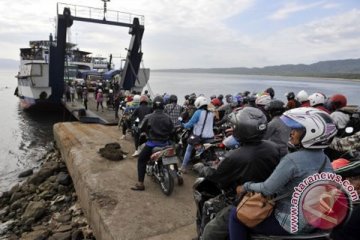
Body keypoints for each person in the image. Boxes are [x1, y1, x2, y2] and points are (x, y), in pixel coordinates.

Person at [228, 107, 338, 240]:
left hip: (290, 223)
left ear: (311, 133)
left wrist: (245, 186)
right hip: (314, 220)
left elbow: (267, 189)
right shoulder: (325, 158)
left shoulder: (292, 160)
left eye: (296, 130)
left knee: (235, 214)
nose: (291, 133)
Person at [196, 107, 282, 240]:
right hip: (270, 197)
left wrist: (201, 167)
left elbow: (215, 175)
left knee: (209, 232)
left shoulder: (235, 156)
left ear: (241, 129)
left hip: (245, 201)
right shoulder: (273, 146)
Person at [130, 96, 174, 191]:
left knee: (141, 160)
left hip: (152, 144)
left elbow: (140, 128)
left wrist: (138, 129)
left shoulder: (149, 117)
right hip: (165, 143)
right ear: (163, 106)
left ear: (153, 105)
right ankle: (178, 175)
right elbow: (172, 129)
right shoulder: (168, 117)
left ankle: (140, 184)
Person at [180, 96, 214, 173]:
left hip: (198, 137)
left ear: (198, 104)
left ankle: (183, 167)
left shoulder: (198, 112)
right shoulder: (211, 112)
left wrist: (183, 124)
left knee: (188, 150)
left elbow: (189, 125)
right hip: (210, 137)